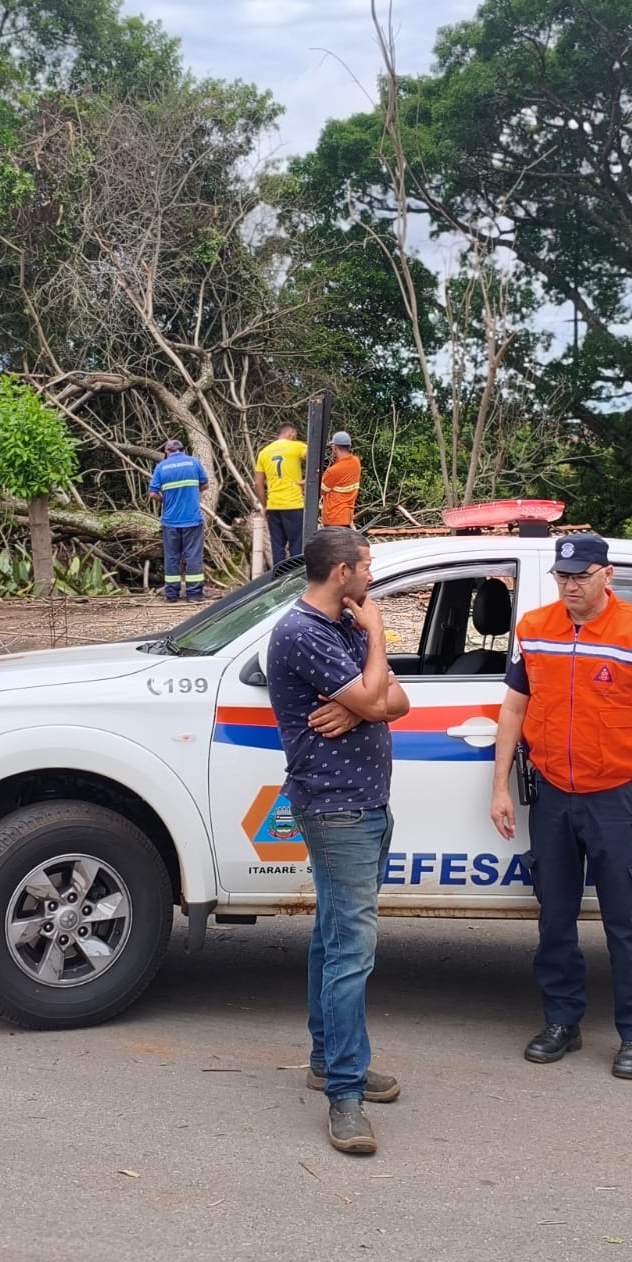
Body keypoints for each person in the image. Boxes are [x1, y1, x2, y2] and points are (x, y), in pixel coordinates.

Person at [490, 533, 632, 1081]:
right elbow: (513, 709)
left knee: (625, 923)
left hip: (613, 797)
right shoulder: (534, 629)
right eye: (563, 576)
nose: (570, 586)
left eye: (581, 576)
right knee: (554, 919)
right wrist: (500, 787)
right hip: (552, 795)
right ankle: (561, 1022)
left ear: (606, 575)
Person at [266, 527, 410, 1156]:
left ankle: (328, 1061)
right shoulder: (306, 632)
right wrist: (376, 639)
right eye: (367, 565)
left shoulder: (342, 625)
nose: (372, 576)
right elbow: (378, 694)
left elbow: (397, 700)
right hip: (336, 808)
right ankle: (344, 1095)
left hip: (365, 804)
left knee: (333, 940)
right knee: (352, 952)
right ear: (343, 572)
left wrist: (359, 705)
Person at [147, 439, 208, 602]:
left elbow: (152, 493)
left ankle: (171, 594)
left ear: (167, 452)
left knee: (172, 557)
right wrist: (191, 493)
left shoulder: (161, 467)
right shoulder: (194, 462)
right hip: (192, 519)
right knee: (193, 556)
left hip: (170, 521)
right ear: (182, 450)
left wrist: (164, 500)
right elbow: (205, 485)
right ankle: (194, 594)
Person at [254, 422, 307, 567]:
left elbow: (257, 483)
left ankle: (280, 577)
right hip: (293, 504)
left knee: (277, 547)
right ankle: (296, 577)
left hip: (274, 506)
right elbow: (314, 457)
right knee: (296, 546)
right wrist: (309, 479)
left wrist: (264, 505)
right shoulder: (297, 446)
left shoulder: (264, 453)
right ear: (291, 433)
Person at [319, 430, 362, 528]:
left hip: (333, 518)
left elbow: (319, 490)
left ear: (334, 447)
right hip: (347, 517)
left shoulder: (334, 470)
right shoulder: (356, 462)